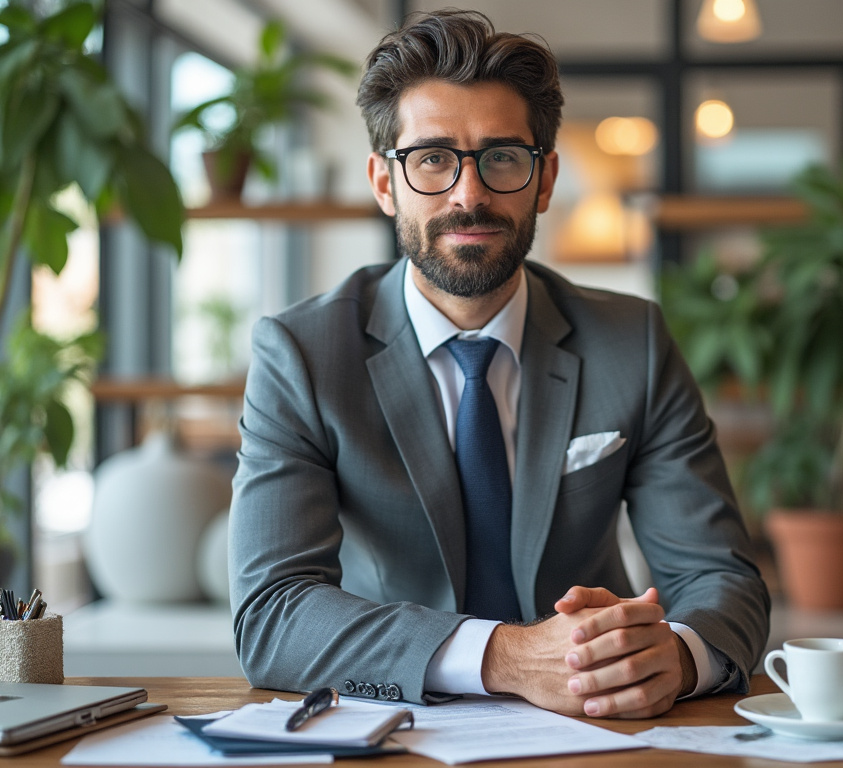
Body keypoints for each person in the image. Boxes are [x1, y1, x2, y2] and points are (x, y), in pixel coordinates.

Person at [229, 9, 769, 720]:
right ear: (384, 184)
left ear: (544, 180)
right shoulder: (302, 354)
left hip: (597, 725)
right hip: (393, 727)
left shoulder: (630, 339)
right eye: (431, 159)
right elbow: (272, 612)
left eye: (502, 158)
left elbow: (718, 578)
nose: (468, 194)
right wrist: (506, 658)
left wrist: (672, 656)